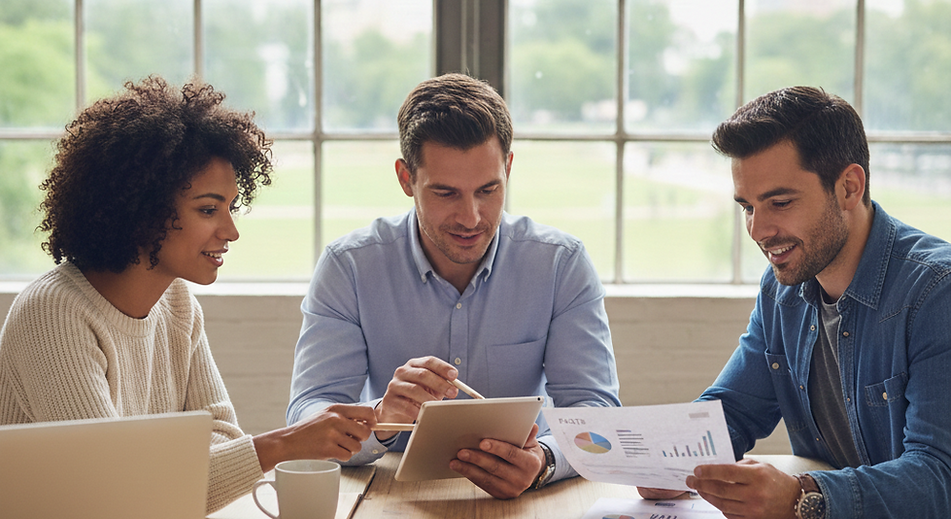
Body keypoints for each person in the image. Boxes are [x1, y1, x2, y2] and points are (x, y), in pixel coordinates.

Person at [0, 76, 378, 513]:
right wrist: (284, 443)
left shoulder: (177, 304)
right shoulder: (54, 314)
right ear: (142, 209)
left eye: (231, 207)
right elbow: (113, 496)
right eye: (207, 209)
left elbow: (220, 437)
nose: (231, 231)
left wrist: (192, 466)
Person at [287, 72, 621, 499]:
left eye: (488, 189)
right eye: (445, 193)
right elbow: (308, 413)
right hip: (391, 494)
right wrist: (382, 417)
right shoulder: (349, 267)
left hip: (526, 498)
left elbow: (596, 413)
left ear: (509, 168)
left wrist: (545, 461)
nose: (471, 217)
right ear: (406, 178)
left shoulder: (560, 264)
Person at [638, 86, 951, 518]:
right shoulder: (782, 289)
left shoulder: (937, 293)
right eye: (747, 207)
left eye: (780, 203)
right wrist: (668, 458)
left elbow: (939, 479)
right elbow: (733, 410)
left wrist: (801, 496)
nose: (758, 230)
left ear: (849, 187)